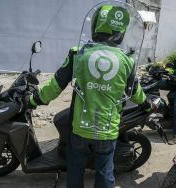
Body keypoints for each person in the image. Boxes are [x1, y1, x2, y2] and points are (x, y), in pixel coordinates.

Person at [26, 4, 151, 188]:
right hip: (107, 131)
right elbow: (135, 92)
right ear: (121, 30)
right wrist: (147, 104)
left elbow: (56, 85)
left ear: (96, 26)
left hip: (80, 129)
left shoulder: (79, 53)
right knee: (105, 172)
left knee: (75, 169)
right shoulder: (127, 61)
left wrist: (34, 100)